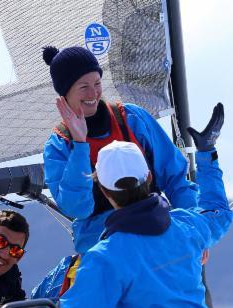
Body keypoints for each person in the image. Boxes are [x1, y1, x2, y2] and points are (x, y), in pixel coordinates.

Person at [8, 106, 232, 308]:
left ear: (102, 189)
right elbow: (218, 212)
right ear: (148, 178)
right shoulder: (187, 226)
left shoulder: (107, 256)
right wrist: (206, 153)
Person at [41, 45, 198, 255]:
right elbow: (78, 208)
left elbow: (175, 177)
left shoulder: (133, 119)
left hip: (154, 232)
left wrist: (192, 230)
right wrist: (79, 144)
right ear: (65, 92)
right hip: (103, 249)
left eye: (97, 83)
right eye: (83, 86)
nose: (93, 93)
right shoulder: (59, 146)